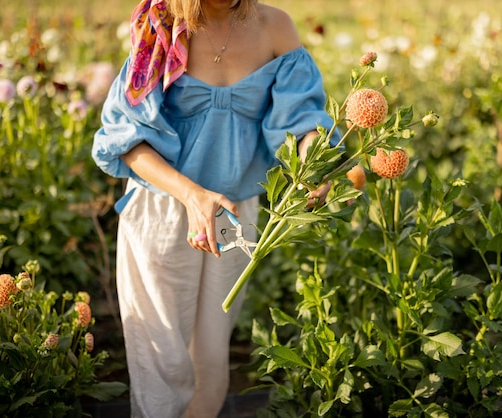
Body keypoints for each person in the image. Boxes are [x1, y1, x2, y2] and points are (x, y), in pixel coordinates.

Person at [92, 0, 339, 416]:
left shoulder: (274, 27)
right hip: (164, 209)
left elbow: (304, 120)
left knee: (211, 356)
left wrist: (315, 164)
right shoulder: (162, 26)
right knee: (163, 362)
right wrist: (193, 195)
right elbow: (126, 140)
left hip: (234, 212)